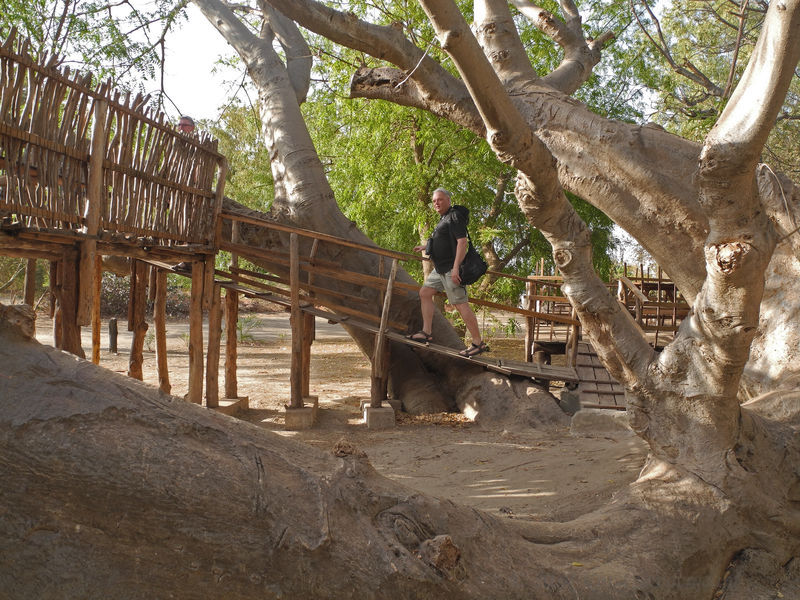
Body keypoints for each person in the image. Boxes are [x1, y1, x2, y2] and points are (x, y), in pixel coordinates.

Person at [408, 188, 489, 357]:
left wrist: (455, 268)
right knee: (425, 293)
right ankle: (426, 332)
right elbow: (443, 240)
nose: (436, 203)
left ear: (448, 200)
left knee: (460, 304)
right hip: (440, 269)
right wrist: (426, 247)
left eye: (440, 199)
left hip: (451, 269)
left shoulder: (454, 216)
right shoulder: (443, 218)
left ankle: (477, 343)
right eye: (434, 201)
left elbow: (462, 242)